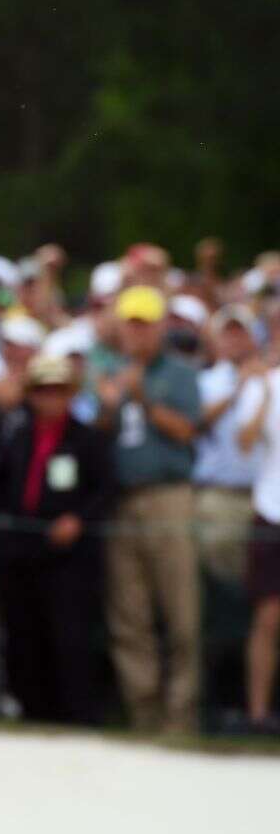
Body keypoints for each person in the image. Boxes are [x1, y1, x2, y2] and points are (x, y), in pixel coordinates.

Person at [96, 285, 202, 733]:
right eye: (129, 323)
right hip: (123, 499)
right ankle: (143, 714)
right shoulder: (115, 372)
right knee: (129, 613)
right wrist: (106, 408)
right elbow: (106, 435)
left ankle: (180, 718)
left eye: (143, 323)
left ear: (160, 327)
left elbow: (185, 432)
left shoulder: (178, 373)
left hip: (168, 497)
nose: (135, 332)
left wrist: (141, 398)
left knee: (180, 612)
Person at [0, 353, 115, 724]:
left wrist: (78, 519)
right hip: (24, 551)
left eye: (58, 390)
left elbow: (105, 488)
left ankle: (76, 714)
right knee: (25, 633)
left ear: (70, 394)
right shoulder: (18, 436)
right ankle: (34, 711)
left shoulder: (88, 439)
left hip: (69, 556)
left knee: (69, 635)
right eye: (43, 390)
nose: (50, 397)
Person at [192, 305, 266, 586]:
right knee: (221, 567)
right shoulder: (205, 380)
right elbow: (197, 424)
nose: (235, 340)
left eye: (241, 333)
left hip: (266, 494)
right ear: (217, 340)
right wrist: (238, 391)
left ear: (253, 338)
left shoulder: (272, 378)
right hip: (220, 493)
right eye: (228, 334)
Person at [236, 356, 280, 730]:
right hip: (272, 508)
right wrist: (264, 393)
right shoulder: (265, 383)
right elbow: (245, 442)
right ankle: (258, 714)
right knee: (267, 618)